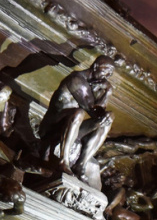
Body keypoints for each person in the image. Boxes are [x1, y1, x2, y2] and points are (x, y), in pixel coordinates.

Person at [38, 55, 115, 187]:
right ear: (96, 66)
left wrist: (107, 92)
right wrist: (107, 94)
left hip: (71, 126)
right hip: (52, 126)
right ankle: (64, 161)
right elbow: (93, 110)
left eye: (109, 74)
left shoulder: (93, 87)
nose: (106, 76)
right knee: (79, 113)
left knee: (104, 124)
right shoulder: (76, 79)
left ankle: (81, 165)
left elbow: (100, 115)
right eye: (105, 71)